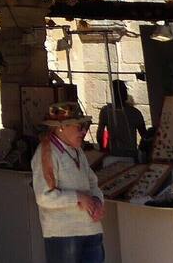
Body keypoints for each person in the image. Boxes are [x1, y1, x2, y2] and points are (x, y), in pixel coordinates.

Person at [32, 102, 105, 263]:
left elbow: (93, 183)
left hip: (91, 229)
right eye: (79, 127)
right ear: (61, 127)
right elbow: (44, 197)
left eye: (84, 126)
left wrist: (98, 201)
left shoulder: (77, 150)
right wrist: (78, 197)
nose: (84, 131)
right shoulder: (46, 152)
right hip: (64, 234)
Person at [96, 81, 147, 159]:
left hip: (116, 153)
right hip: (128, 153)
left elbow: (100, 135)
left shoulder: (106, 111)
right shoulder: (134, 113)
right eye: (124, 90)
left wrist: (103, 150)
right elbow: (144, 136)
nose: (125, 92)